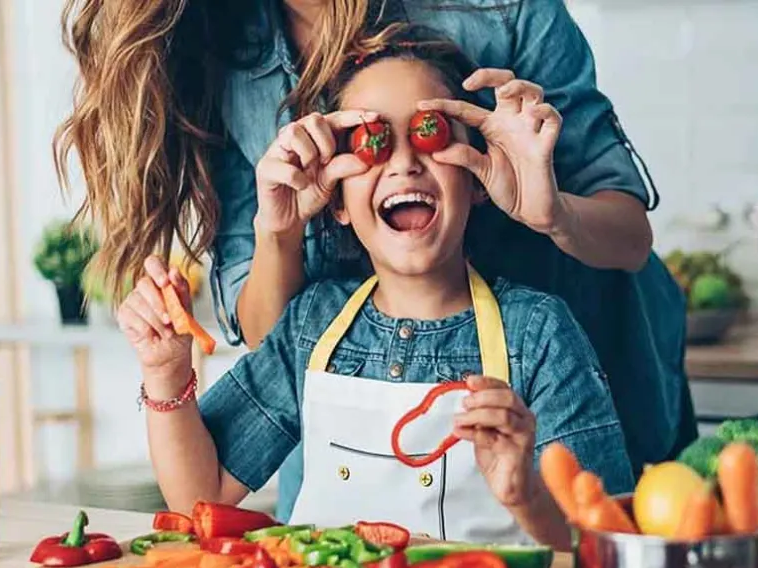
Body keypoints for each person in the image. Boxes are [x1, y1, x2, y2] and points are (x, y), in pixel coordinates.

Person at [56, 0, 695, 523]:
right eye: (371, 142)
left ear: (479, 178)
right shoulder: (311, 328)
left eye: (429, 134)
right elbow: (202, 493)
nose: (403, 162)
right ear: (334, 198)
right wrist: (168, 377)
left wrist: (550, 207)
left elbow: (593, 535)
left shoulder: (542, 334)